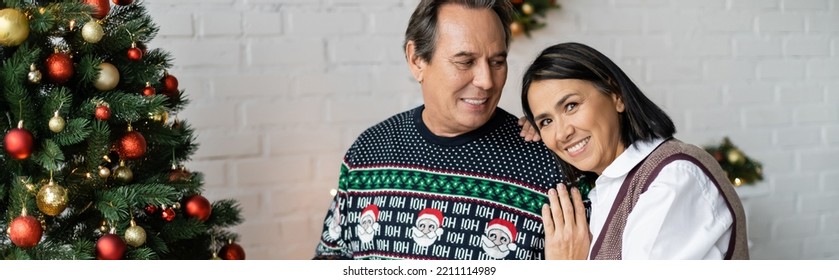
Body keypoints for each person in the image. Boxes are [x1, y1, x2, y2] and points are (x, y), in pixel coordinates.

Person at [313, 0, 565, 260]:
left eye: (497, 62)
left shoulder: (548, 165)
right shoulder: (368, 152)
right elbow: (331, 258)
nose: (487, 81)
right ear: (417, 60)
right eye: (465, 62)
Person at [520, 42, 750, 260]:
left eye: (571, 106)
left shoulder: (673, 178)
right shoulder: (604, 189)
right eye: (546, 121)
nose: (562, 133)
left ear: (616, 95)